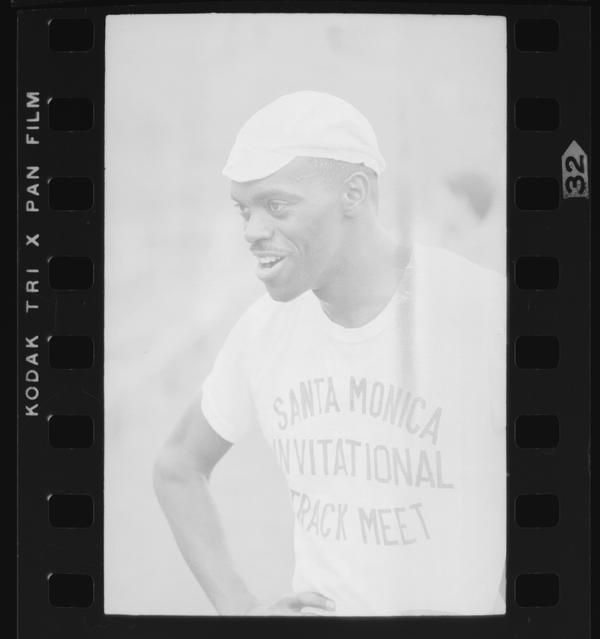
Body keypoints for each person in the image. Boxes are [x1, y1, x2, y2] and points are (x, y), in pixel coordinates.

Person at [153, 91, 506, 616]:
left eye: (276, 206)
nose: (252, 231)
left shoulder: (484, 309)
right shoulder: (263, 332)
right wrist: (244, 610)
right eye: (244, 210)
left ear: (354, 193)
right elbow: (177, 467)